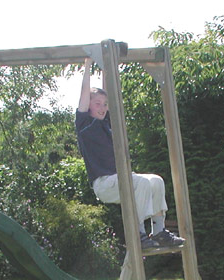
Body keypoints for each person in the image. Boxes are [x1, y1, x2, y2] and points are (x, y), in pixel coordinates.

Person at [75, 57, 184, 249]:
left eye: (105, 104)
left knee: (156, 180)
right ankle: (138, 234)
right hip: (104, 184)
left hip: (120, 180)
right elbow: (85, 93)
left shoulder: (107, 122)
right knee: (139, 181)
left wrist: (106, 65)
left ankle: (159, 231)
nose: (102, 108)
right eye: (97, 104)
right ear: (88, 106)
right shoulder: (84, 125)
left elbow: (107, 90)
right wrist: (88, 65)